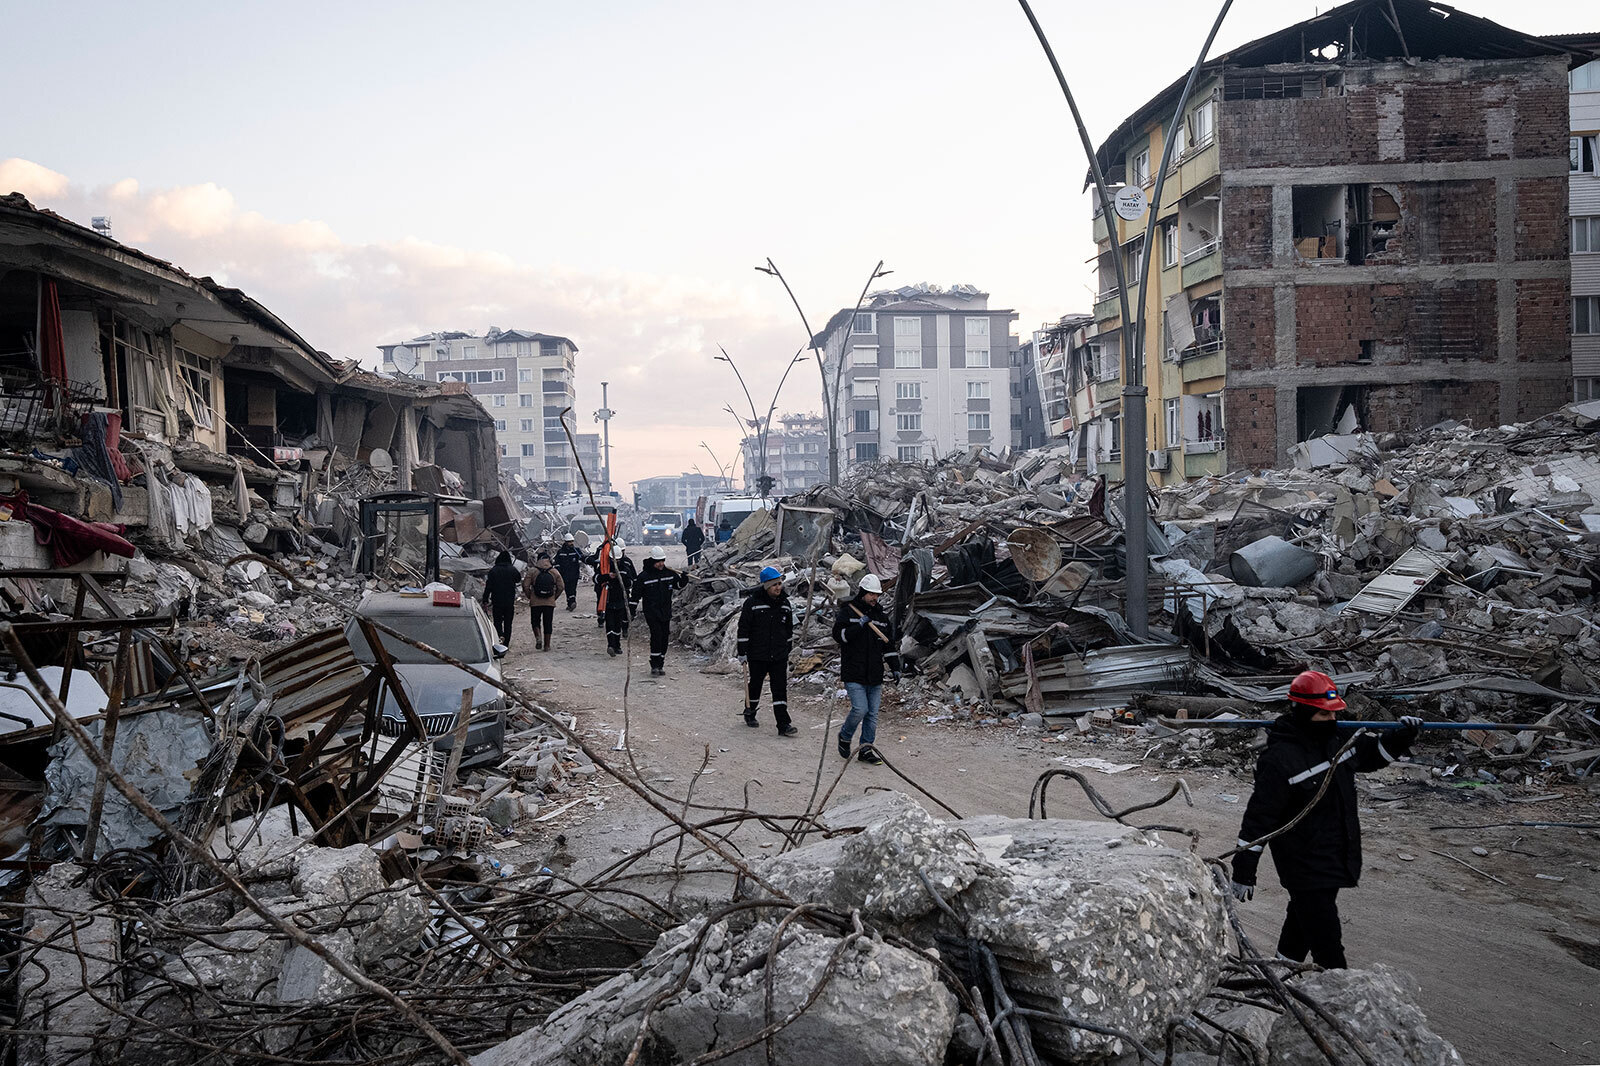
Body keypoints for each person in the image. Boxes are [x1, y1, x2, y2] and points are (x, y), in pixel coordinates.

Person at [1230, 670, 1422, 969]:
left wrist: (1399, 738)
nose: (1330, 720)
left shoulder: (1339, 738)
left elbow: (1372, 757)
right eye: (1323, 714)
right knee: (1327, 945)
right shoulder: (1280, 759)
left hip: (1335, 853)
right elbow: (1258, 819)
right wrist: (1244, 870)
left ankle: (1281, 975)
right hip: (1303, 862)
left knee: (1302, 921)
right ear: (1302, 711)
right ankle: (1339, 1003)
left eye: (1334, 714)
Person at [832, 573, 899, 764]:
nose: (874, 598)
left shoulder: (881, 617)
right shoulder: (848, 612)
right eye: (871, 594)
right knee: (860, 709)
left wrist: (895, 667)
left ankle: (866, 749)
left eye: (876, 595)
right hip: (853, 671)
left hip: (874, 673)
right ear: (863, 593)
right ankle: (845, 736)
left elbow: (889, 646)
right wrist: (859, 627)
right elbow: (840, 636)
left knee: (872, 714)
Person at [736, 565, 796, 736]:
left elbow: (789, 629)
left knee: (779, 688)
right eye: (774, 585)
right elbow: (744, 629)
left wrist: (787, 649)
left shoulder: (785, 604)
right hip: (758, 654)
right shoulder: (752, 604)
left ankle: (783, 725)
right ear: (766, 586)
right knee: (755, 684)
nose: (778, 588)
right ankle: (750, 711)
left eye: (779, 584)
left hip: (778, 654)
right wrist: (742, 652)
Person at [631, 546, 688, 676]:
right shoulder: (644, 577)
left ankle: (661, 662)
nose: (661, 564)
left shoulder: (668, 573)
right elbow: (635, 595)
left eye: (662, 561)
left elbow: (678, 585)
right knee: (656, 636)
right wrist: (631, 610)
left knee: (664, 637)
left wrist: (684, 579)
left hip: (665, 611)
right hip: (651, 612)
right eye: (658, 561)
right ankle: (655, 664)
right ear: (652, 561)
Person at [598, 538, 637, 657]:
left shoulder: (626, 566)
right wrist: (607, 577)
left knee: (618, 623)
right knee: (610, 623)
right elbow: (597, 579)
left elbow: (631, 581)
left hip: (621, 598)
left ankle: (617, 645)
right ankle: (611, 645)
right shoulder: (604, 566)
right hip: (608, 599)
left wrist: (621, 577)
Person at [522, 550, 565, 651]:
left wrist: (530, 596)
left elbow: (525, 585)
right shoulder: (554, 571)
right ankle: (547, 645)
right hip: (549, 601)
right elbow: (561, 586)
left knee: (535, 621)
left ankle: (538, 637)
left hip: (535, 601)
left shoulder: (532, 571)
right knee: (548, 622)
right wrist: (554, 597)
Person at [480, 550, 521, 649]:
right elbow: (518, 579)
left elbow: (488, 586)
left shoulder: (494, 570)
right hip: (509, 601)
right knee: (508, 622)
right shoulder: (512, 569)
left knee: (497, 621)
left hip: (497, 600)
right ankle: (506, 643)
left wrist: (485, 599)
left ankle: (499, 636)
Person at [554, 533, 584, 611]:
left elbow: (582, 558)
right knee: (567, 589)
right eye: (569, 542)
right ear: (565, 542)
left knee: (573, 588)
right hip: (564, 574)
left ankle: (572, 602)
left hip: (574, 574)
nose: (571, 543)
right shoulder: (561, 552)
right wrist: (558, 571)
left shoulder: (576, 551)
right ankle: (570, 602)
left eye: (572, 541)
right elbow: (556, 562)